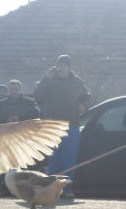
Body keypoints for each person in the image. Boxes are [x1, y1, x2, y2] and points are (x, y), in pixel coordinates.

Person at [34, 54, 90, 198]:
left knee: (69, 158)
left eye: (65, 65)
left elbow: (85, 96)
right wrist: (46, 78)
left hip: (72, 125)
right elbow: (37, 96)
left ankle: (67, 189)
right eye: (59, 64)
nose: (61, 67)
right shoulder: (50, 80)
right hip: (53, 126)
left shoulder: (77, 81)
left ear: (70, 66)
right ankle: (52, 190)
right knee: (54, 159)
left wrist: (83, 105)